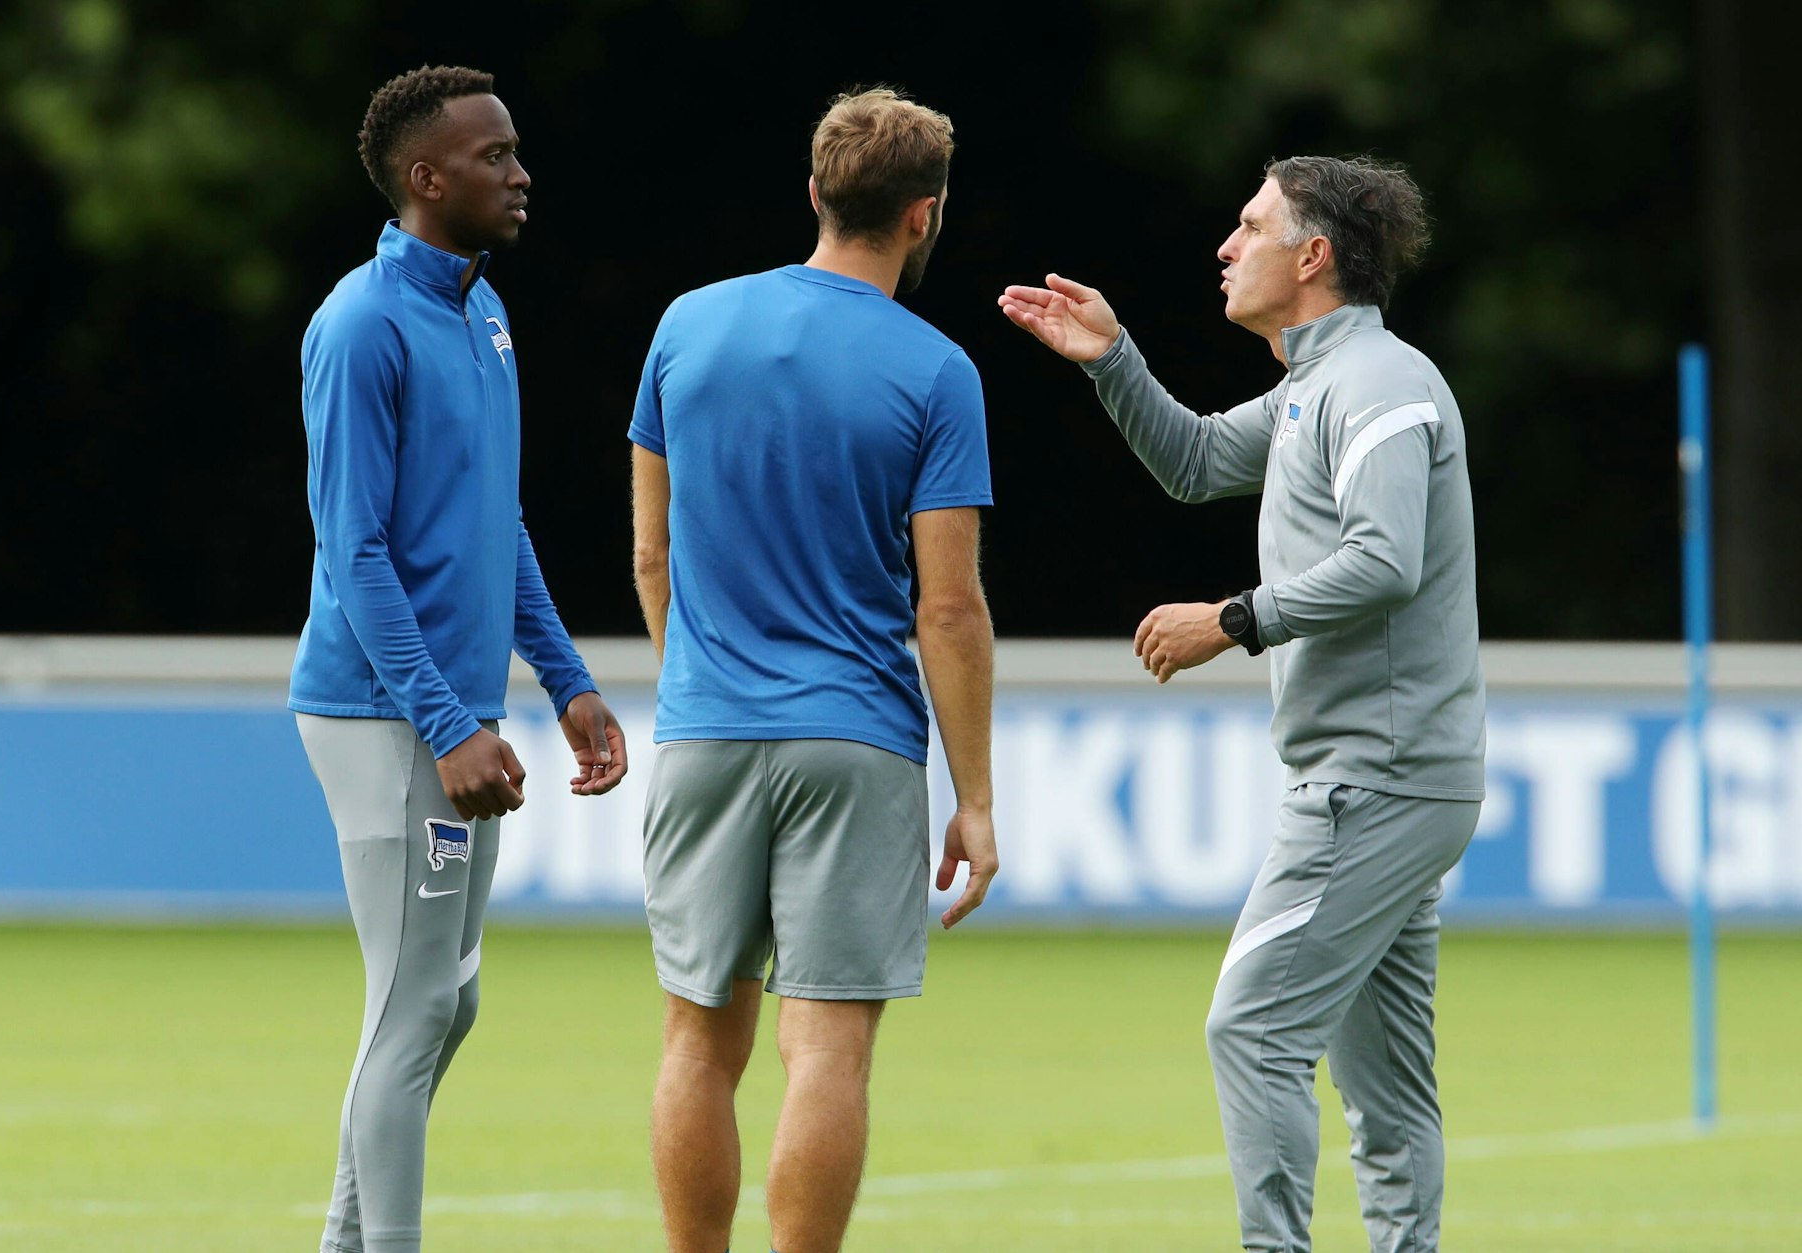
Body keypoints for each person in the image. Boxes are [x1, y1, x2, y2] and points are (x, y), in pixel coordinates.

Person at [1000, 156, 1485, 1253]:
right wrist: (1112, 360)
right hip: (1396, 775)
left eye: (1250, 225)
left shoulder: (1377, 384)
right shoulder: (1321, 383)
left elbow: (1386, 560)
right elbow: (1193, 460)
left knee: (1252, 1028)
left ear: (1312, 255)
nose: (1226, 246)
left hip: (1374, 777)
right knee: (1385, 1082)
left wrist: (1230, 618)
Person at [629, 87, 998, 1253]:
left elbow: (651, 552)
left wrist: (696, 682)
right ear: (923, 214)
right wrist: (974, 795)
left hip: (705, 725)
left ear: (813, 193)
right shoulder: (936, 369)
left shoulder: (687, 324)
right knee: (826, 1047)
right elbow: (947, 606)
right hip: (853, 737)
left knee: (698, 1040)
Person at [289, 65, 628, 1253]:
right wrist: (445, 722)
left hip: (446, 706)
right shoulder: (360, 324)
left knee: (446, 997)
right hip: (381, 713)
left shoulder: (481, 313)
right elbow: (354, 549)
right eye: (495, 157)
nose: (520, 173)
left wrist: (565, 677)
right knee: (412, 1005)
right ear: (426, 179)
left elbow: (498, 519)